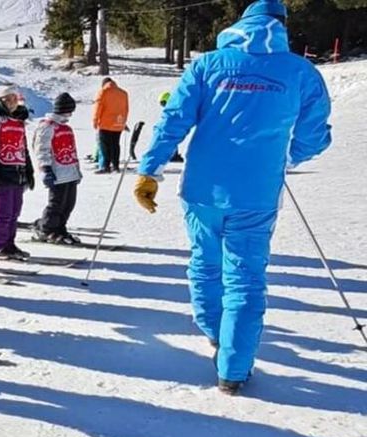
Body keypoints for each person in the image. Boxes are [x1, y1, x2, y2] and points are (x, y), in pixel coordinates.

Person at [133, 0, 331, 394]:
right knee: (245, 277)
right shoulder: (301, 72)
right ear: (282, 26)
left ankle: (214, 332)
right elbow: (315, 134)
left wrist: (149, 170)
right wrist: (287, 156)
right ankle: (234, 370)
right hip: (256, 192)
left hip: (202, 190)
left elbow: (174, 119)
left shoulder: (208, 64)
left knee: (205, 263)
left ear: (242, 23)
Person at [0, 84, 33, 260]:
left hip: (17, 171)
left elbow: (23, 148)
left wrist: (29, 171)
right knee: (3, 212)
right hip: (1, 173)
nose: (11, 103)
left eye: (14, 99)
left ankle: (9, 244)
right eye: (7, 99)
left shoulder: (18, 121)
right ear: (0, 100)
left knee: (14, 212)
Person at [31, 92, 83, 245]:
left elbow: (72, 150)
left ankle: (60, 228)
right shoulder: (47, 126)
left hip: (70, 172)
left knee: (69, 203)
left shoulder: (66, 127)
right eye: (69, 110)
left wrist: (77, 171)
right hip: (57, 172)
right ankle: (46, 229)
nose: (70, 114)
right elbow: (41, 149)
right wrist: (45, 169)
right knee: (56, 204)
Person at [93, 77, 129, 173]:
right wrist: (123, 123)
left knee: (105, 146)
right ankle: (116, 166)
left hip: (105, 123)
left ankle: (105, 166)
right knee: (115, 145)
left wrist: (95, 120)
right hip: (118, 124)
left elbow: (98, 107)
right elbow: (125, 110)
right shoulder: (123, 93)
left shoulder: (103, 91)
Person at [157, 91, 184, 162]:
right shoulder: (171, 108)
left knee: (171, 138)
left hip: (175, 126)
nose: (163, 106)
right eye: (161, 104)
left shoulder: (174, 108)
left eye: (163, 103)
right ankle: (171, 154)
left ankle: (173, 155)